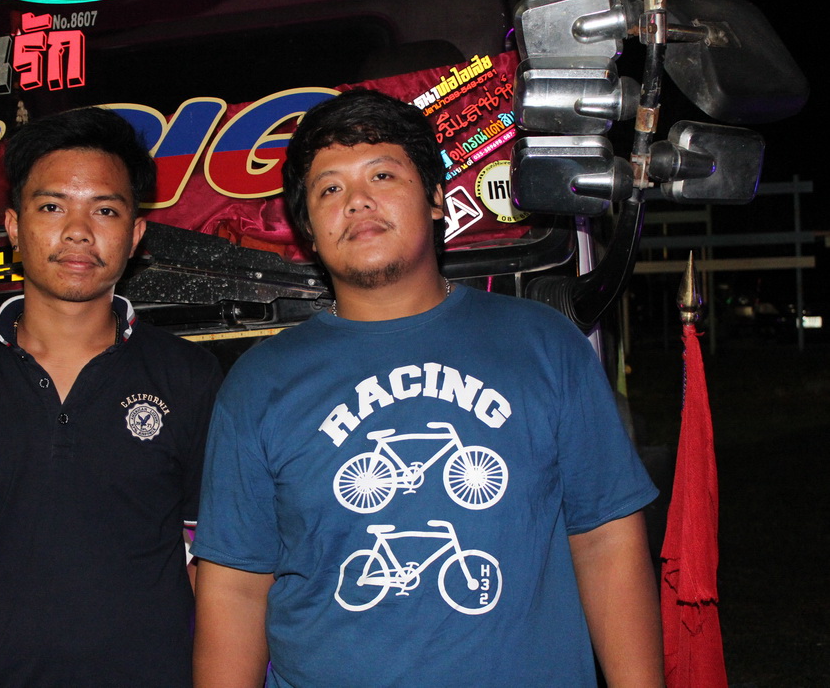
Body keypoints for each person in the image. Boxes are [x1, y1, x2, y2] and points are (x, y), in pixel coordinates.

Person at [191, 89, 663, 687]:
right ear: (307, 229)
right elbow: (235, 587)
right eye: (329, 189)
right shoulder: (260, 382)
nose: (357, 200)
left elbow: (605, 541)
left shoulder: (545, 344)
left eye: (382, 175)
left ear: (437, 198)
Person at [0, 106, 222, 687]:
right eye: (52, 207)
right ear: (14, 227)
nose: (78, 231)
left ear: (135, 236)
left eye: (105, 210)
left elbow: (220, 573)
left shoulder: (190, 376)